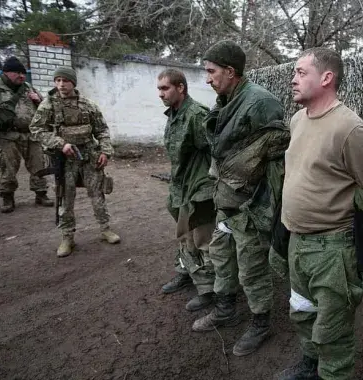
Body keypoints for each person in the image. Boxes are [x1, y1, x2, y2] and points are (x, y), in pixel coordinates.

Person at [276, 47, 363, 380]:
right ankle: (311, 364)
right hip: (297, 241)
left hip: (333, 249)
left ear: (327, 77)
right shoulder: (297, 120)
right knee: (302, 311)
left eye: (301, 72)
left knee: (333, 330)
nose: (293, 79)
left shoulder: (351, 129)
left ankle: (332, 372)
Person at [191, 40, 290, 357]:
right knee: (221, 255)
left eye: (211, 71)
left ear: (230, 71)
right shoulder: (225, 100)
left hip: (250, 205)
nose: (207, 78)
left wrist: (261, 209)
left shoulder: (261, 103)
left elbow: (276, 163)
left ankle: (260, 323)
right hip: (227, 201)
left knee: (252, 268)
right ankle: (225, 308)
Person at [30, 67, 121, 257]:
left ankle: (105, 229)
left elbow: (102, 130)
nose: (61, 84)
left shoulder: (88, 105)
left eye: (65, 80)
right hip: (65, 159)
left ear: (73, 82)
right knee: (66, 197)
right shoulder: (48, 106)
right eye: (58, 80)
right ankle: (67, 237)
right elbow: (36, 129)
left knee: (97, 194)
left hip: (89, 155)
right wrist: (60, 144)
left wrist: (105, 151)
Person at [157, 68, 216, 311]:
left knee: (203, 240)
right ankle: (186, 273)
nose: (160, 94)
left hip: (199, 187)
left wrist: (208, 184)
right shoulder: (174, 114)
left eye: (165, 88)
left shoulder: (196, 115)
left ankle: (209, 290)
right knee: (183, 236)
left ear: (180, 87)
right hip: (180, 186)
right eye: (159, 89)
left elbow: (215, 151)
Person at [0, 56, 53, 213]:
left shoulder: (27, 86)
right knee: (8, 167)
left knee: (39, 164)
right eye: (17, 73)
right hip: (6, 136)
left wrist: (39, 100)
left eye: (23, 73)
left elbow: (45, 107)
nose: (21, 76)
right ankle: (7, 197)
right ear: (6, 72)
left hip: (31, 134)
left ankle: (41, 194)